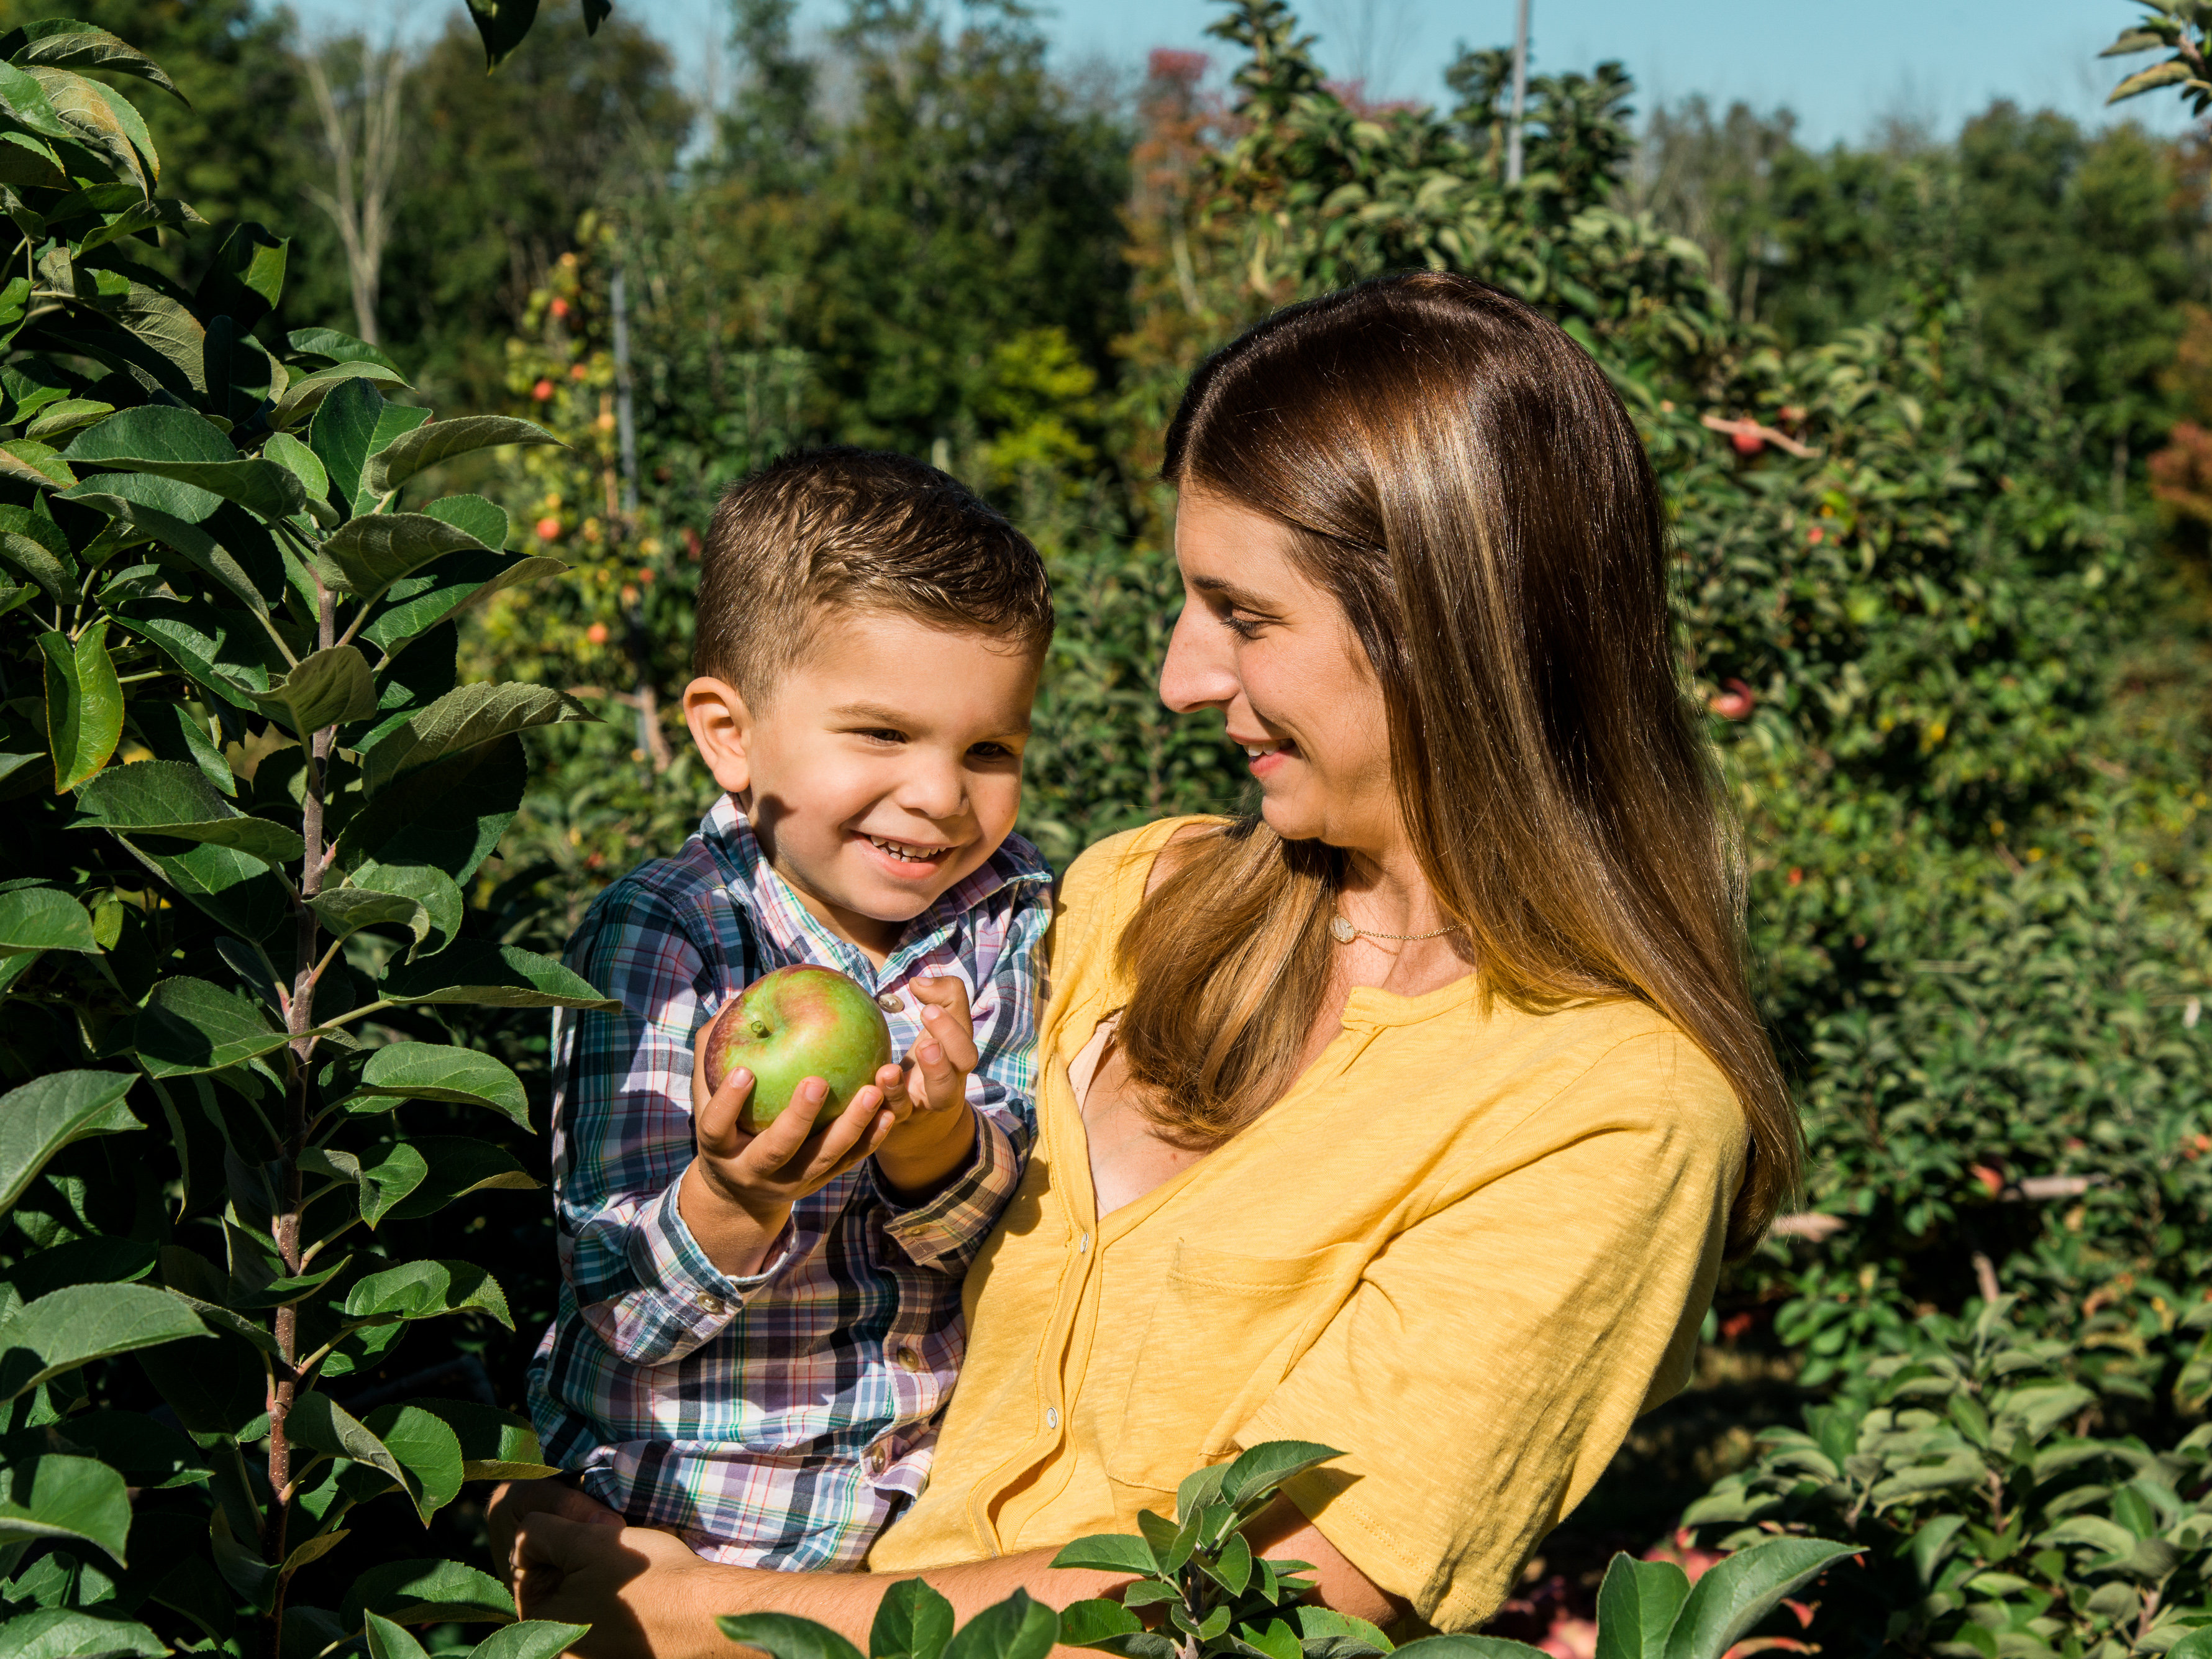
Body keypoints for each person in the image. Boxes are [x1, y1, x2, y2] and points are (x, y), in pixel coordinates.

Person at [498, 272, 1803, 1653]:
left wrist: (697, 1617)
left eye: (1243, 614)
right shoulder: (1127, 899)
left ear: (1444, 624)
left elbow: (1272, 1596)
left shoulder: (1609, 1107)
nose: (1179, 677)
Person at [526, 447, 1056, 1570]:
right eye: (883, 733)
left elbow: (1014, 1248)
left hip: (927, 1519)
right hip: (689, 1524)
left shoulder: (1007, 918)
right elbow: (619, 1307)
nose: (941, 795)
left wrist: (940, 1144)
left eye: (990, 748)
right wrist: (737, 1192)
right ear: (731, 734)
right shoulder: (664, 939)